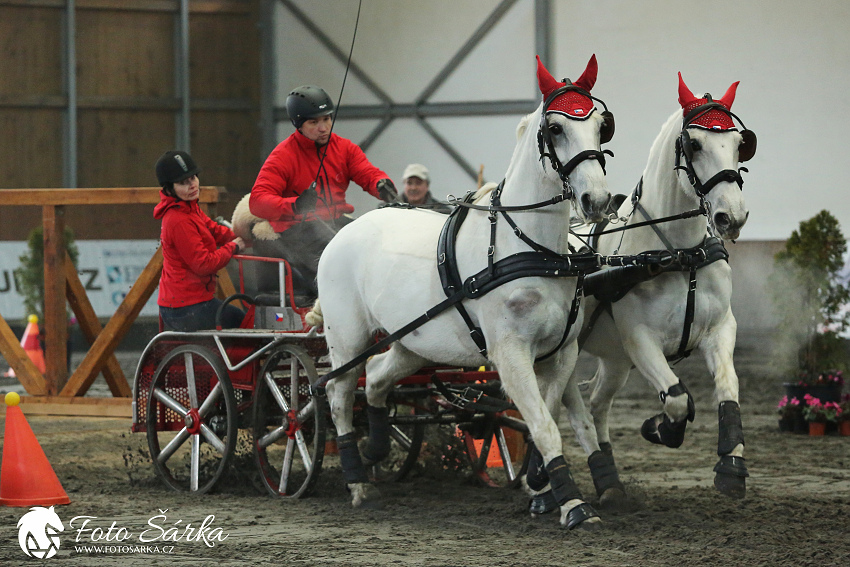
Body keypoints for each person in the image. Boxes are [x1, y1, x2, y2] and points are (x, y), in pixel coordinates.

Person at [249, 85, 398, 302]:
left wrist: (382, 185)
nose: (323, 127)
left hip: (336, 222)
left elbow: (367, 172)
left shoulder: (345, 148)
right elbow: (257, 202)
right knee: (342, 270)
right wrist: (295, 205)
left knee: (379, 248)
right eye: (313, 122)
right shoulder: (282, 156)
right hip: (298, 230)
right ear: (298, 125)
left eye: (327, 119)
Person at [154, 150, 247, 332]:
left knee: (241, 320)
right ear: (168, 189)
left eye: (193, 178)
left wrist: (246, 236)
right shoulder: (178, 220)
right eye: (183, 182)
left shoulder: (189, 208)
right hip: (186, 308)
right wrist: (234, 246)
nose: (192, 185)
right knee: (245, 322)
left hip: (190, 302)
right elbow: (203, 264)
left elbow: (214, 230)